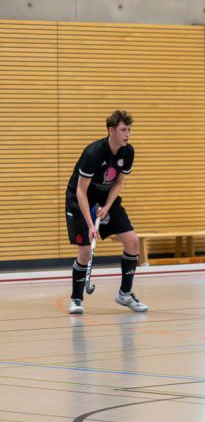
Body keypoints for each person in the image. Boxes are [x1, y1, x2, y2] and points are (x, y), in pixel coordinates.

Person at [65, 110, 148, 315]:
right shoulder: (93, 153)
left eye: (129, 130)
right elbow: (81, 191)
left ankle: (125, 294)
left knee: (133, 242)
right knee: (85, 251)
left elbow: (118, 182)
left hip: (105, 198)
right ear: (111, 130)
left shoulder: (127, 152)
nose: (127, 134)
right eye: (123, 130)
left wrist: (108, 206)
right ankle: (76, 299)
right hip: (80, 199)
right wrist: (91, 224)